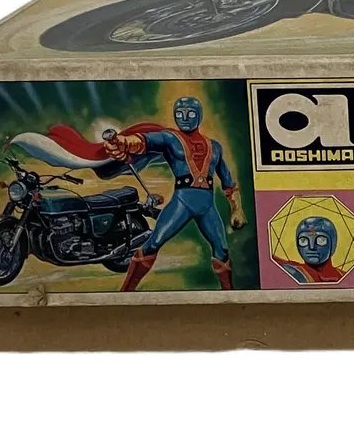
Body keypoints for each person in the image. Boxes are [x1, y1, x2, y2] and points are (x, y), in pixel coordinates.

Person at [99, 96, 245, 290]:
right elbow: (145, 141)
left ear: (199, 115)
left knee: (222, 250)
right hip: (182, 203)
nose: (184, 117)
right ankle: (125, 292)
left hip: (207, 206)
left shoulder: (215, 147)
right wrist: (123, 142)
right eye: (179, 113)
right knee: (153, 243)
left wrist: (237, 209)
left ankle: (229, 295)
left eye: (190, 113)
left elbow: (228, 182)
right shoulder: (170, 138)